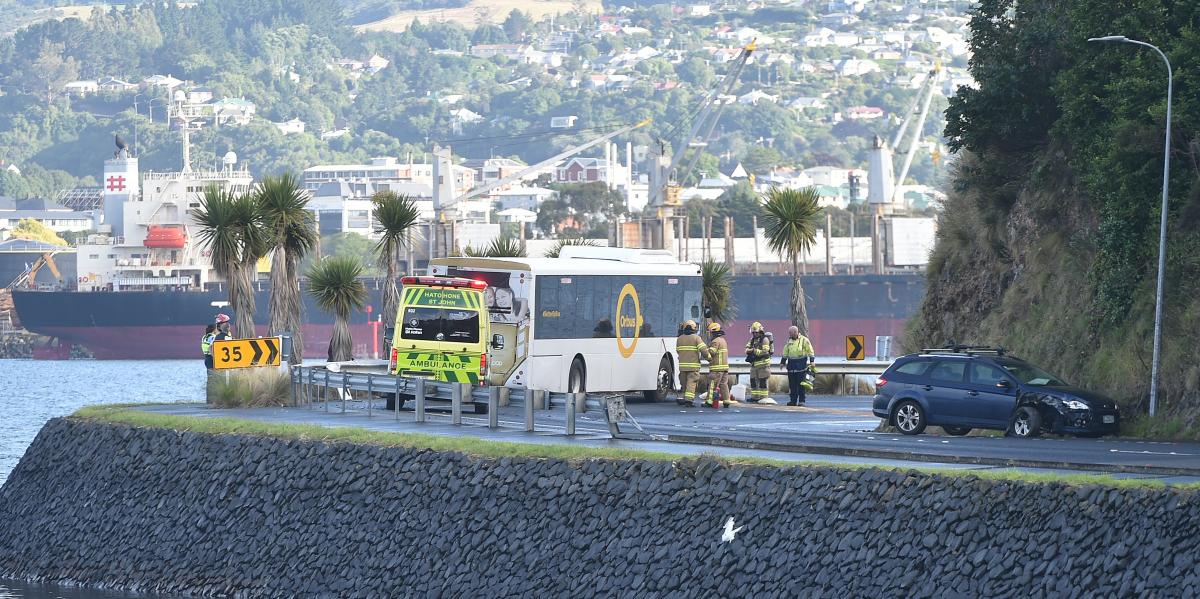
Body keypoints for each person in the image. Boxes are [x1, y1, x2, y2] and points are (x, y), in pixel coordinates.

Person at [675, 320, 709, 407]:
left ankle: (684, 398)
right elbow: (704, 350)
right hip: (693, 366)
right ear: (694, 328)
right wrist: (709, 358)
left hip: (682, 367)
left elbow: (678, 351)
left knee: (684, 383)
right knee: (691, 382)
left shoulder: (679, 339)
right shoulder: (696, 338)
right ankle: (689, 401)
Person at [781, 325, 815, 406]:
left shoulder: (804, 340)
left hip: (801, 365)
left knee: (801, 384)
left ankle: (801, 401)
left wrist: (812, 361)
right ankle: (793, 401)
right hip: (791, 366)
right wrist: (782, 362)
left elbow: (810, 351)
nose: (789, 334)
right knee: (792, 385)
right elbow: (785, 352)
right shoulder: (789, 341)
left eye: (790, 332)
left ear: (796, 332)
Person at [705, 322, 733, 408]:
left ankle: (709, 402)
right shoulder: (723, 340)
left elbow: (712, 352)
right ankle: (726, 401)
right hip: (724, 368)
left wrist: (705, 349)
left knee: (712, 385)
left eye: (710, 332)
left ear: (713, 332)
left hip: (716, 369)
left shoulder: (715, 341)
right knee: (724, 385)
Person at [745, 321, 773, 403]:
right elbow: (746, 349)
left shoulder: (765, 339)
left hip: (763, 364)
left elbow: (765, 351)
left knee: (762, 382)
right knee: (753, 381)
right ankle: (755, 397)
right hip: (754, 365)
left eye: (756, 332)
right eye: (753, 333)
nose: (754, 334)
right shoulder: (752, 340)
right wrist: (751, 350)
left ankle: (763, 397)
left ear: (760, 331)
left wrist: (754, 351)